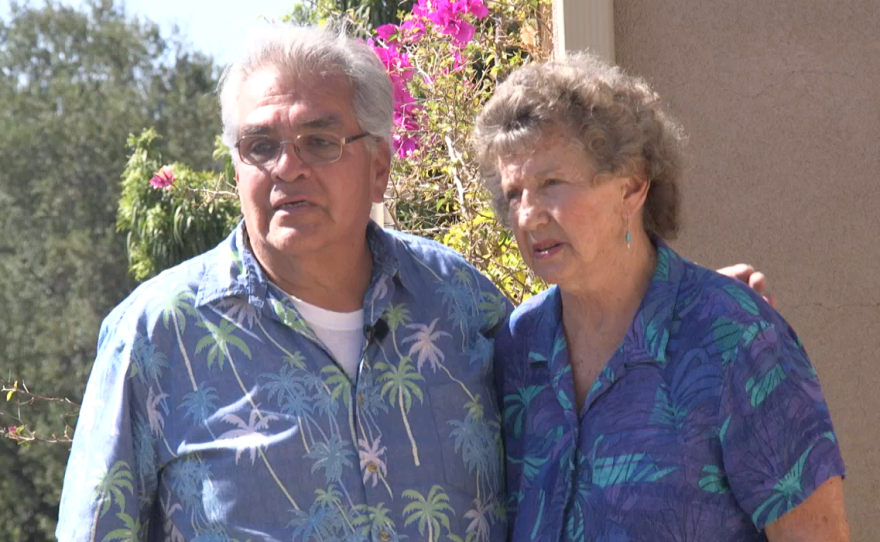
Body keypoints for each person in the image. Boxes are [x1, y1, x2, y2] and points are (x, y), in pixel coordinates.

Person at [56, 24, 772, 542]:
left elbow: (587, 359)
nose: (286, 168)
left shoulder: (462, 305)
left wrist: (683, 304)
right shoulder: (157, 336)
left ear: (380, 169)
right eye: (260, 146)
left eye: (319, 140)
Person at [476, 54, 849, 542]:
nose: (527, 217)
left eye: (551, 184)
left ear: (632, 187)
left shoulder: (735, 339)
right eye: (513, 193)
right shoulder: (517, 348)